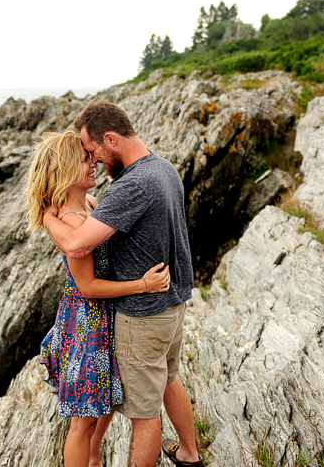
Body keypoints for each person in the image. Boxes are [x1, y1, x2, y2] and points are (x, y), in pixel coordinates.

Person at [42, 99, 203, 467]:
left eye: (93, 150)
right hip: (173, 304)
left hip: (144, 316)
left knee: (144, 414)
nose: (93, 159)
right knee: (168, 379)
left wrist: (45, 217)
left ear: (110, 139)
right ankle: (189, 453)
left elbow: (77, 243)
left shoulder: (129, 187)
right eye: (85, 157)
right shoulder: (163, 168)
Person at [25, 131, 171, 467]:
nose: (94, 161)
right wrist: (142, 285)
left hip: (104, 320)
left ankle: (93, 459)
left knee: (103, 403)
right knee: (82, 420)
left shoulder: (89, 205)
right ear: (64, 171)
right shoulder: (68, 221)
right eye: (84, 159)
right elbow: (88, 286)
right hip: (85, 325)